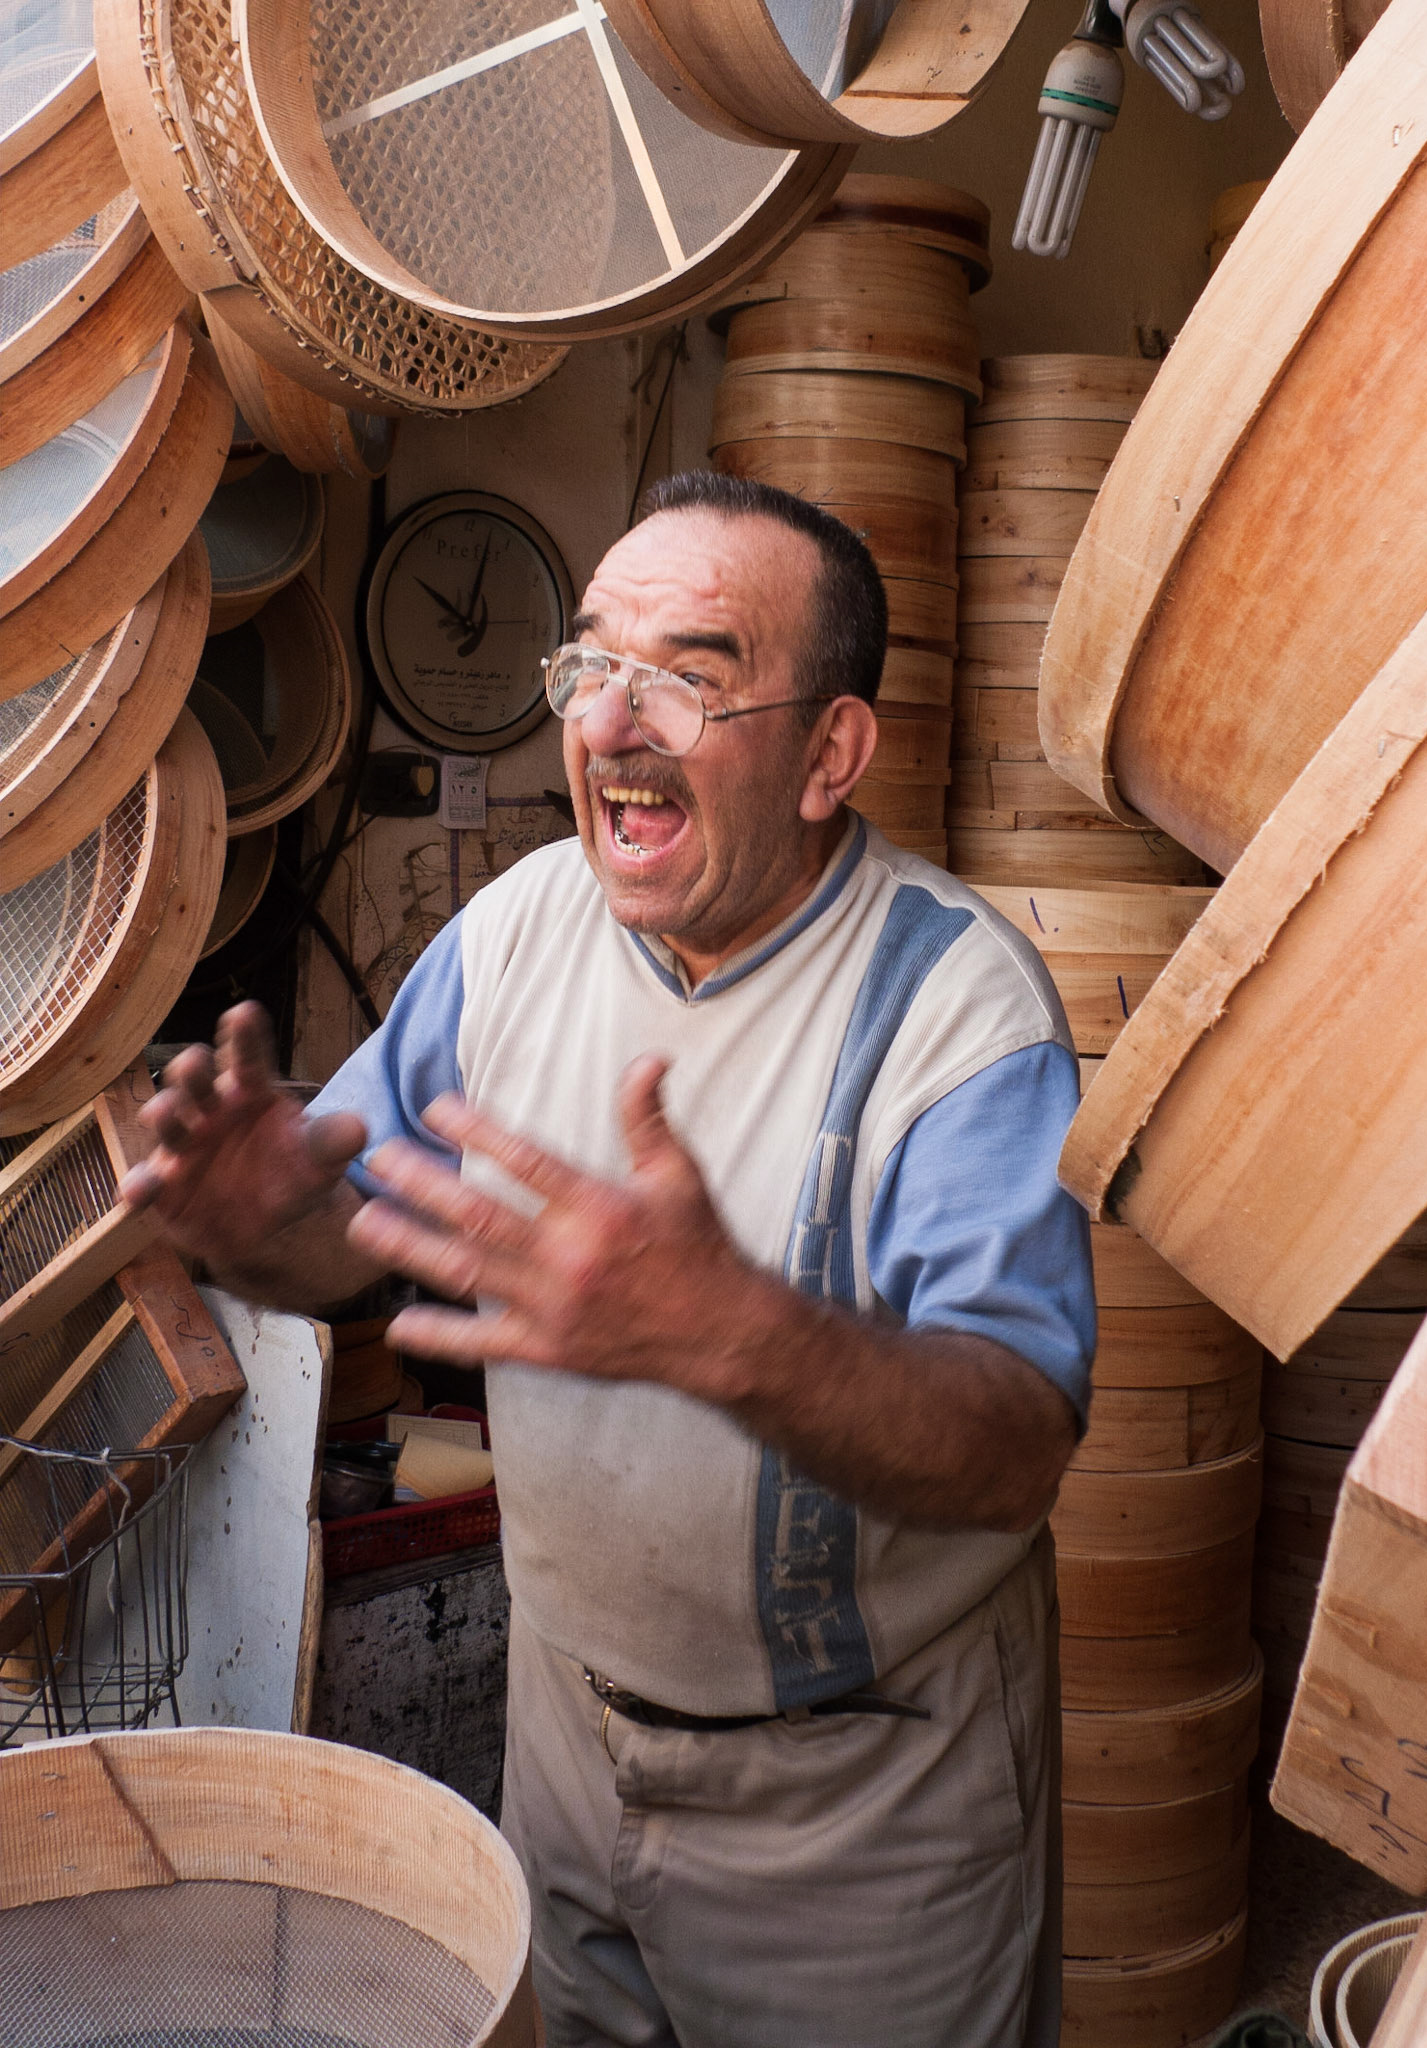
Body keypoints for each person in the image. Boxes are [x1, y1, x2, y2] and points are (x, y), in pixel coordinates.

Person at [125, 471, 1096, 2048]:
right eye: (590, 669)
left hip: (859, 1801)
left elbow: (1013, 1443)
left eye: (690, 679)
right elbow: (351, 1240)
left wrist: (734, 1335)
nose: (612, 724)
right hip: (569, 1735)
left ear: (827, 753)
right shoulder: (516, 931)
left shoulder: (957, 1008)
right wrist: (263, 1229)